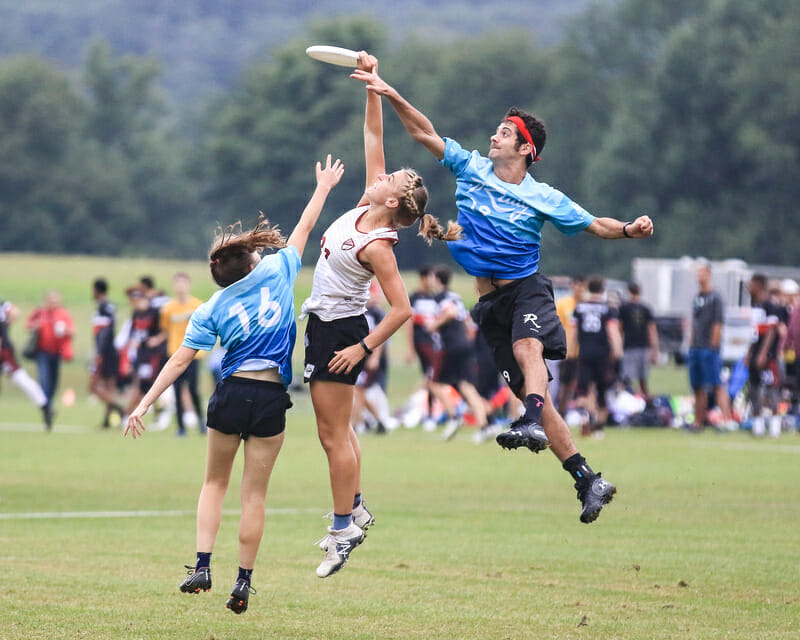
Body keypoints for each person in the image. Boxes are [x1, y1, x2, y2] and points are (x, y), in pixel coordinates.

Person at [353, 61, 654, 523]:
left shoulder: (545, 196)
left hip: (526, 288)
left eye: (503, 134)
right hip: (489, 303)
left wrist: (631, 229)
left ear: (524, 148)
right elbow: (423, 133)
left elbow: (597, 225)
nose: (493, 138)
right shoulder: (471, 167)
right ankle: (587, 478)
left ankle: (530, 422)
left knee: (528, 347)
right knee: (536, 395)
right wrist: (390, 92)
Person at [124, 155, 344, 614]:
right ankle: (243, 581)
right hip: (270, 399)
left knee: (213, 484)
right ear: (251, 261)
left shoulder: (211, 307)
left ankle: (202, 566)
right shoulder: (279, 270)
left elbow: (181, 360)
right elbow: (304, 226)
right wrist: (322, 187)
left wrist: (144, 404)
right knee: (254, 494)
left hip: (230, 395)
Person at [302, 53, 461, 578]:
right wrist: (372, 85)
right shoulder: (372, 204)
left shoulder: (379, 244)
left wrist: (362, 347)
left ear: (393, 202)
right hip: (325, 327)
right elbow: (374, 138)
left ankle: (344, 527)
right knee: (340, 433)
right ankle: (356, 508)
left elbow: (402, 310)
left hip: (340, 333)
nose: (381, 174)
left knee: (332, 437)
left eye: (388, 178)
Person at [428, 264, 488, 441]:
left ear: (437, 280)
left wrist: (435, 325)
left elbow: (452, 313)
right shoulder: (456, 295)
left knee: (433, 383)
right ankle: (485, 425)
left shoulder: (442, 296)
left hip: (451, 346)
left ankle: (454, 417)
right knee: (465, 386)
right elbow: (467, 321)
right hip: (464, 345)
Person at [572, 276, 623, 436]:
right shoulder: (608, 309)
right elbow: (612, 332)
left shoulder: (579, 308)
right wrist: (618, 352)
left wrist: (571, 351)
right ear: (602, 290)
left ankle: (587, 419)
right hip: (602, 354)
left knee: (584, 390)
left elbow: (573, 333)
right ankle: (599, 426)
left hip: (584, 353)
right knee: (602, 390)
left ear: (588, 289)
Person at [686, 263, 734, 432]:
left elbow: (718, 323)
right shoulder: (697, 297)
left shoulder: (716, 297)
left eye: (702, 273)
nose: (699, 277)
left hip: (709, 348)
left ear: (709, 274)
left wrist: (713, 345)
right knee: (697, 386)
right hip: (695, 348)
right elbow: (694, 323)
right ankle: (699, 421)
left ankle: (727, 420)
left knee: (716, 384)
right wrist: (691, 344)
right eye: (697, 274)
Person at [158, 272, 205, 436]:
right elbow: (165, 330)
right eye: (177, 283)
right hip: (175, 354)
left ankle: (201, 423)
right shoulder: (168, 308)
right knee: (177, 392)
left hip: (193, 356)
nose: (180, 286)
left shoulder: (197, 305)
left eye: (183, 283)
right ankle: (181, 427)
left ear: (189, 285)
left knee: (193, 390)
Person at [746, 273, 787, 437]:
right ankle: (758, 425)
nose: (749, 288)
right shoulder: (755, 306)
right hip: (755, 354)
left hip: (768, 356)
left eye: (751, 284)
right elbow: (754, 333)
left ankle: (775, 425)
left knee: (771, 389)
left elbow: (771, 331)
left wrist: (763, 353)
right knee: (754, 389)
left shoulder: (771, 307)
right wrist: (749, 353)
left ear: (759, 285)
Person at [0, 300, 52, 429]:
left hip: (3, 350)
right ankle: (45, 406)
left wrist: (5, 327)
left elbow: (15, 312)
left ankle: (45, 406)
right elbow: (16, 313)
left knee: (20, 377)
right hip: (4, 347)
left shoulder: (2, 305)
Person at [25, 290, 75, 418]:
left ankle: (49, 405)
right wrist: (36, 326)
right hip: (42, 352)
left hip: (56, 353)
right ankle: (46, 407)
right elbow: (28, 325)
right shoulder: (40, 313)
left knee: (53, 382)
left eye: (55, 301)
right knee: (44, 379)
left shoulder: (62, 314)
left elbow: (72, 331)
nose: (52, 303)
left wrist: (64, 330)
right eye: (50, 301)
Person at [406, 266, 444, 430]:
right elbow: (409, 324)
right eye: (430, 277)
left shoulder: (436, 298)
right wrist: (410, 349)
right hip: (422, 343)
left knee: (432, 378)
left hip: (436, 344)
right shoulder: (415, 298)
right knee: (431, 377)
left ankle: (432, 413)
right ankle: (430, 414)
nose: (432, 281)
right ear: (423, 278)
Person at [89, 278, 124, 427]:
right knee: (110, 387)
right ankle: (107, 420)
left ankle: (119, 407)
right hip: (111, 351)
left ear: (96, 291)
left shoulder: (102, 308)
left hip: (105, 352)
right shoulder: (109, 306)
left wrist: (99, 353)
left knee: (93, 386)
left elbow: (104, 333)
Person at [618, 281, 659, 399]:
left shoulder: (624, 308)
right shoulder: (646, 308)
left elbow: (620, 329)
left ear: (629, 291)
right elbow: (652, 330)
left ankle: (629, 398)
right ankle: (645, 399)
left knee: (627, 378)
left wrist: (618, 346)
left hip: (629, 347)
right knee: (643, 379)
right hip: (644, 347)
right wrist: (655, 349)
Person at [555, 275, 585, 416]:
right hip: (568, 351)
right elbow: (556, 325)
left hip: (585, 351)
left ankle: (584, 414)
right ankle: (561, 411)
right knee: (566, 384)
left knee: (585, 384)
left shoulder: (586, 304)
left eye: (581, 286)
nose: (578, 289)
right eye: (576, 285)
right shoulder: (564, 304)